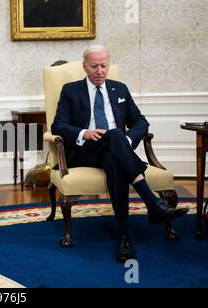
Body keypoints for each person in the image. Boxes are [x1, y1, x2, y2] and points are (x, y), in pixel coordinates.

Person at [51, 45, 189, 262]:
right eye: (94, 66)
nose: (100, 71)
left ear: (108, 65)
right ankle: (152, 204)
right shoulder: (71, 90)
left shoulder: (120, 89)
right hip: (85, 151)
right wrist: (84, 133)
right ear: (84, 66)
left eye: (104, 66)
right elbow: (57, 125)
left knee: (113, 151)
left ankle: (124, 238)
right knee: (114, 137)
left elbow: (141, 122)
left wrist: (126, 139)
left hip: (114, 149)